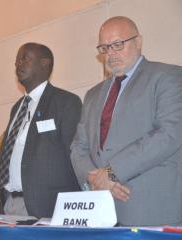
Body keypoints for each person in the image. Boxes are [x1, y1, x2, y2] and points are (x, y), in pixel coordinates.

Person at [71, 16, 182, 226]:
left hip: (149, 212)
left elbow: (168, 135)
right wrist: (95, 182)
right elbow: (78, 147)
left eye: (117, 44)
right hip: (99, 211)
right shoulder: (93, 95)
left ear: (138, 42)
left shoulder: (169, 77)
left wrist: (112, 173)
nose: (110, 53)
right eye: (104, 48)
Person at [0, 42, 82, 218]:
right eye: (16, 61)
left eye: (25, 59)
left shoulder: (65, 102)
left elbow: (77, 155)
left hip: (47, 208)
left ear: (45, 63)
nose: (18, 64)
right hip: (10, 205)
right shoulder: (16, 108)